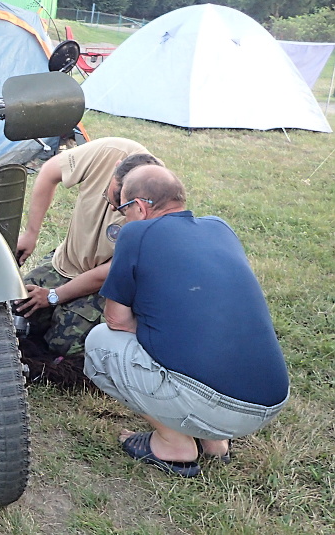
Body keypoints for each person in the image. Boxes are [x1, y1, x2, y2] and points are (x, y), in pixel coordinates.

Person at [84, 165, 289, 477]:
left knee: (100, 342)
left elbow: (117, 319)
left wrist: (159, 330)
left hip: (216, 403)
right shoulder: (220, 227)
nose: (122, 217)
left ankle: (174, 443)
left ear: (139, 206)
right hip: (270, 401)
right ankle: (215, 441)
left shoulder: (135, 233)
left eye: (123, 209)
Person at [15, 137, 162, 358]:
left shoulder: (156, 205)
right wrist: (31, 233)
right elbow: (48, 172)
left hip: (104, 285)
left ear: (139, 205)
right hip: (66, 263)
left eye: (119, 207)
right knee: (13, 309)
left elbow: (112, 271)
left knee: (64, 344)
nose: (111, 207)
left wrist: (54, 296)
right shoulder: (109, 151)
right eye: (109, 197)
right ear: (116, 166)